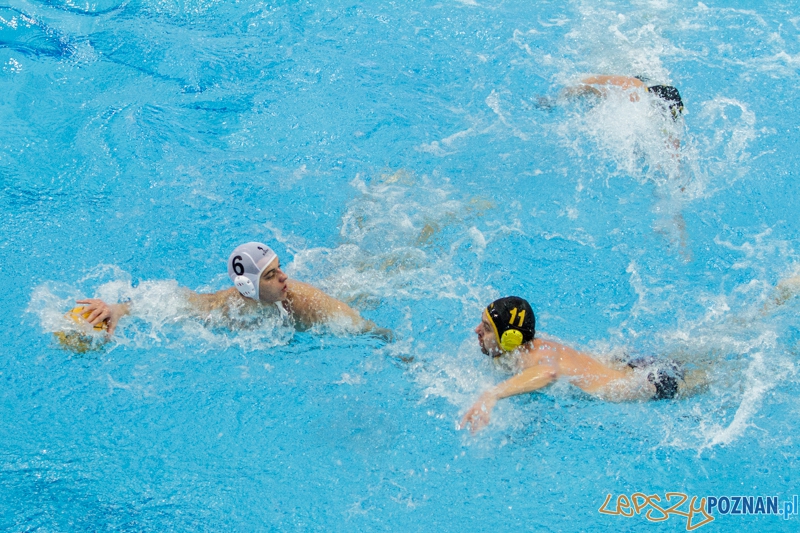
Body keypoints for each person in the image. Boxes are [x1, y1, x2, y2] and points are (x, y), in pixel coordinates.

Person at [74, 241, 393, 341]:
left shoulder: (308, 302)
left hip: (342, 297)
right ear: (246, 288)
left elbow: (372, 331)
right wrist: (117, 309)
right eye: (271, 275)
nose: (284, 278)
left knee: (382, 274)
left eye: (280, 267)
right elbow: (169, 301)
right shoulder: (226, 304)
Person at [459, 296, 689, 433]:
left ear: (511, 339)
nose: (476, 331)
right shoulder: (526, 347)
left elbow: (548, 372)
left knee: (711, 379)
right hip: (630, 363)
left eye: (486, 328)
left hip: (644, 384)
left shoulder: (534, 357)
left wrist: (493, 394)